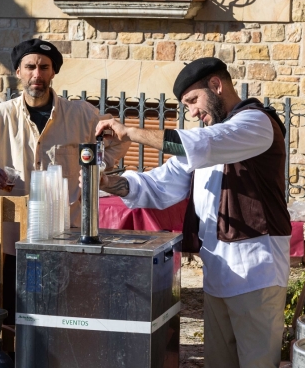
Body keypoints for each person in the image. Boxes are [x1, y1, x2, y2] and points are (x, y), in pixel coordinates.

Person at [96, 57, 290, 368]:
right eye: (186, 106)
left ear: (216, 85)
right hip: (216, 273)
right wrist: (108, 183)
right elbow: (159, 185)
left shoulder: (255, 123)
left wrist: (131, 132)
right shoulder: (208, 137)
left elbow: (201, 145)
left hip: (258, 273)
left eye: (193, 101)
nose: (192, 112)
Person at [0, 38, 129, 321]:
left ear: (54, 72)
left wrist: (96, 171)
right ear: (18, 72)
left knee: (64, 311)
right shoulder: (0, 116)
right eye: (30, 67)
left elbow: (118, 141)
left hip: (67, 233)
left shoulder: (81, 114)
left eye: (44, 67)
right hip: (15, 238)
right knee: (17, 312)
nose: (36, 75)